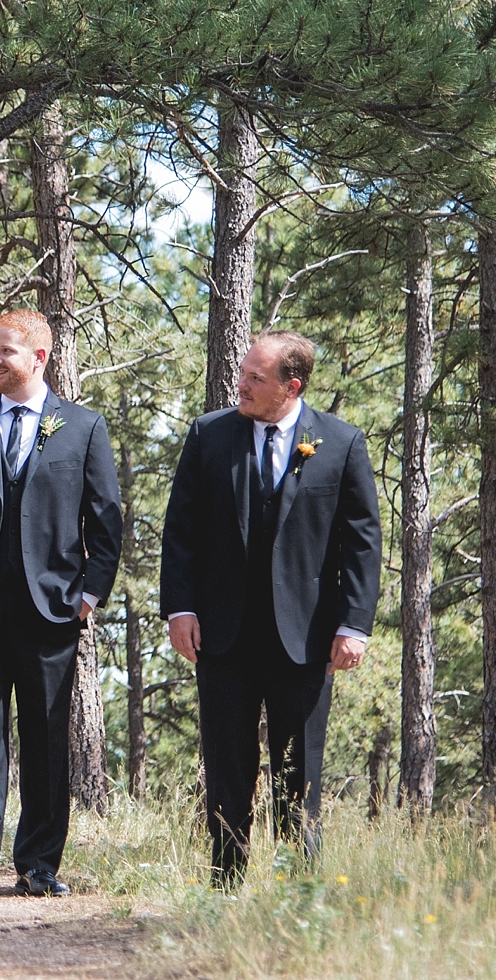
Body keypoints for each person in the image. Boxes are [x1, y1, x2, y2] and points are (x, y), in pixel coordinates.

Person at [159, 332, 382, 884]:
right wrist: (179, 608)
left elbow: (362, 543)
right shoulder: (209, 436)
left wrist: (354, 625)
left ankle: (296, 891)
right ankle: (225, 887)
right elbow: (181, 532)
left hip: (304, 639)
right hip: (223, 636)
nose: (242, 384)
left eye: (256, 378)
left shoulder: (341, 443)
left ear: (292, 386)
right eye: (242, 373)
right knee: (228, 770)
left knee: (298, 773)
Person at [0, 310, 122, 901]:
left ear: (39, 358)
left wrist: (87, 595)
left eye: (5, 351)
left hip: (52, 610)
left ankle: (38, 865)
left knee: (45, 739)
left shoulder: (82, 428)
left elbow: (106, 522)